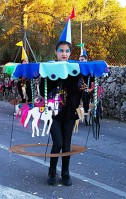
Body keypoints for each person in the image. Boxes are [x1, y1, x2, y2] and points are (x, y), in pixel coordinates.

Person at [40, 19, 83, 186]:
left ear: (70, 53)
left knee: (66, 145)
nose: (64, 53)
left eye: (67, 51)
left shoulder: (75, 70)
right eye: (61, 50)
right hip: (53, 113)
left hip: (69, 113)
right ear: (56, 53)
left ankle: (65, 173)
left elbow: (79, 90)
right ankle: (52, 170)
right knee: (57, 143)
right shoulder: (48, 69)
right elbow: (43, 88)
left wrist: (81, 81)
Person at [79, 49, 93, 126]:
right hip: (79, 89)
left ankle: (86, 118)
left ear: (86, 60)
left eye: (82, 60)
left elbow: (93, 81)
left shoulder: (89, 69)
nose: (80, 61)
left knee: (86, 99)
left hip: (87, 89)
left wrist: (90, 89)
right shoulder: (78, 69)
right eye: (79, 60)